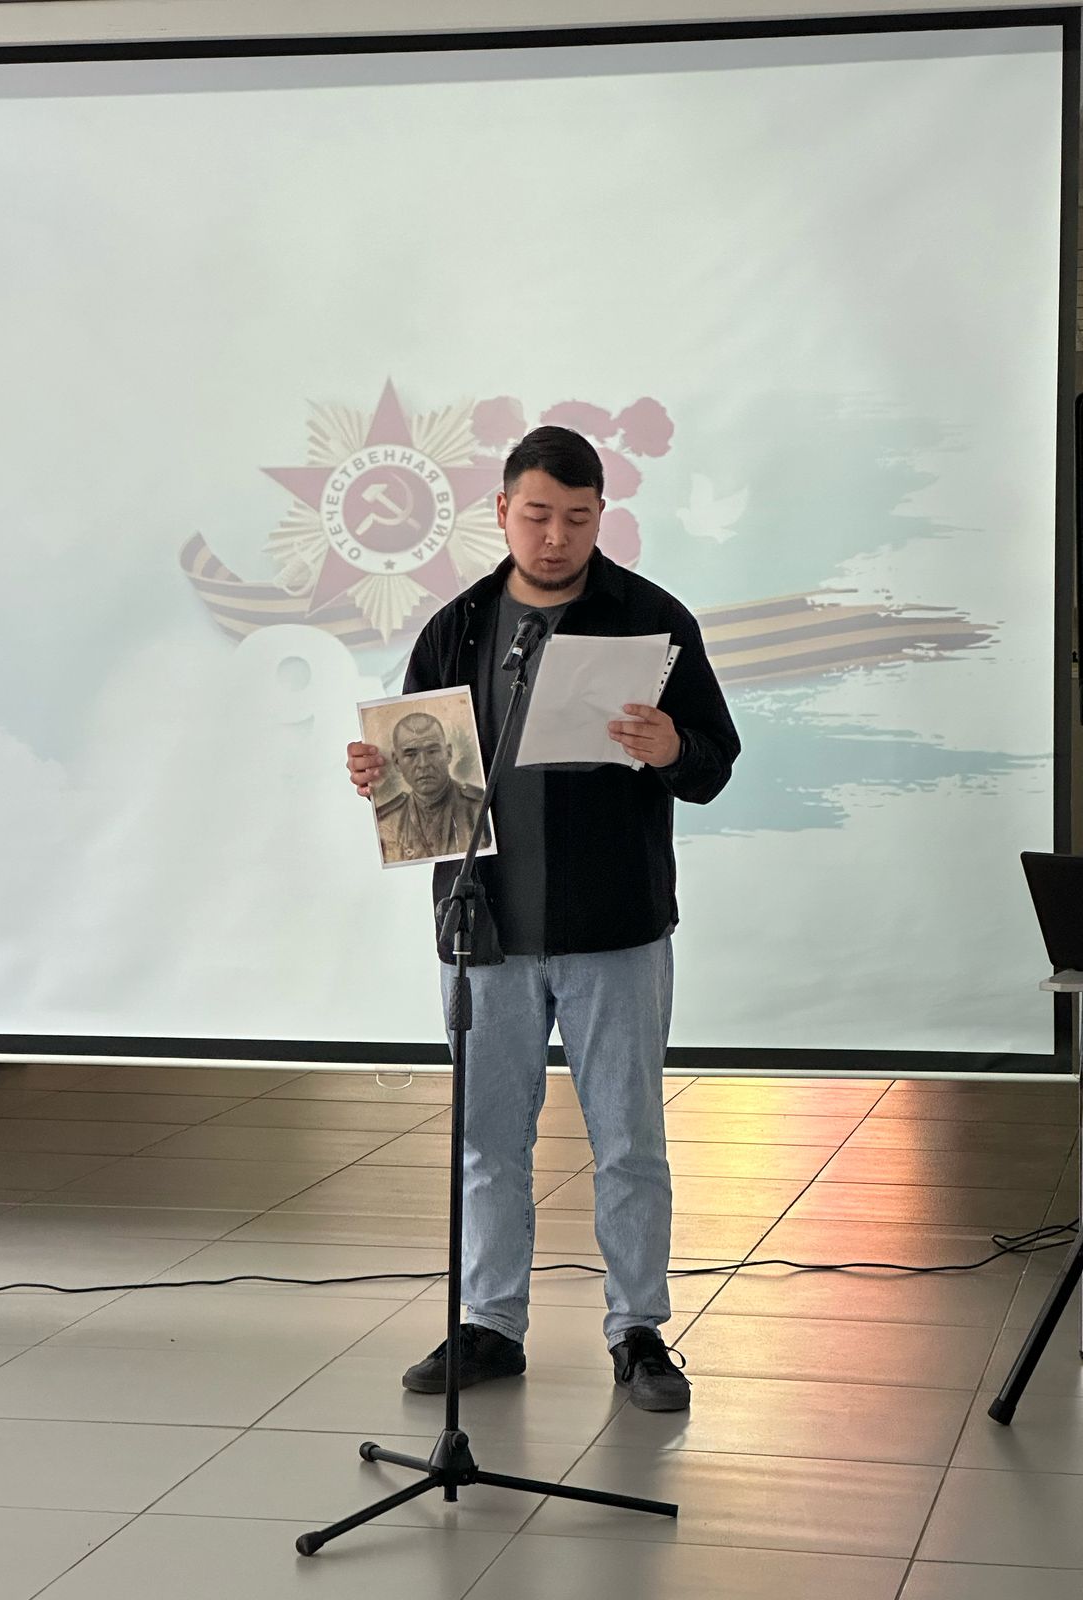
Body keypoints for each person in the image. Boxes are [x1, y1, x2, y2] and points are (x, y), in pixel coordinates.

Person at [346, 425, 739, 1412]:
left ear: (602, 516)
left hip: (615, 927)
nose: (555, 536)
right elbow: (424, 778)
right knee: (488, 1140)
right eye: (536, 515)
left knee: (629, 1139)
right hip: (485, 929)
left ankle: (639, 1331)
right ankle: (489, 1324)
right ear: (502, 513)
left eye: (576, 517)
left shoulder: (651, 619)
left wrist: (671, 748)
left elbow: (713, 762)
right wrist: (379, 775)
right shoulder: (459, 628)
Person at [375, 711, 487, 864]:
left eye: (432, 751)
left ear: (448, 753)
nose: (423, 764)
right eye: (411, 755)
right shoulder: (388, 820)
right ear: (396, 762)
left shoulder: (480, 806)